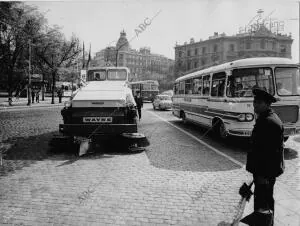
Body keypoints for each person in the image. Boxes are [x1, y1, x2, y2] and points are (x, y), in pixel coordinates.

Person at [245, 87, 285, 225]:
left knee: (263, 204)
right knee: (264, 201)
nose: (255, 104)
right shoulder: (265, 118)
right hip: (262, 172)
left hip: (265, 173)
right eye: (254, 101)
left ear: (267, 104)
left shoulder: (269, 122)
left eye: (258, 102)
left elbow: (270, 154)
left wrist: (263, 176)